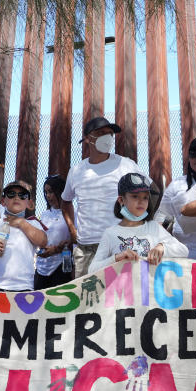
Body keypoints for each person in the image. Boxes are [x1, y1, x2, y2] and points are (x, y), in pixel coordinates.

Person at [61, 116, 140, 276]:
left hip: (120, 243)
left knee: (121, 297)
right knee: (88, 297)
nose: (108, 137)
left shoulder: (126, 164)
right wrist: (72, 230)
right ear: (88, 139)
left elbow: (151, 192)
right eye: (101, 133)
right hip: (86, 249)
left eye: (110, 133)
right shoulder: (76, 171)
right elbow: (66, 202)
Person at [89, 173, 188, 272]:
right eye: (135, 196)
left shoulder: (153, 227)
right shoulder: (110, 233)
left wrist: (162, 247)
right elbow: (92, 270)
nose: (141, 201)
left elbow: (184, 250)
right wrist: (116, 258)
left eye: (145, 197)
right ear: (121, 200)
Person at [0, 181, 47, 291]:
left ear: (29, 203)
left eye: (22, 195)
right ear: (3, 201)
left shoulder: (33, 224)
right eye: (11, 194)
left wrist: (21, 223)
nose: (16, 198)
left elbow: (43, 242)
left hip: (23, 287)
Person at [35, 175, 73, 290]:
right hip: (42, 266)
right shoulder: (45, 214)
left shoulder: (72, 214)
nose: (48, 196)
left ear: (61, 191)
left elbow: (75, 239)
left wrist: (57, 249)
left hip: (61, 266)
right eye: (46, 192)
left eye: (51, 191)